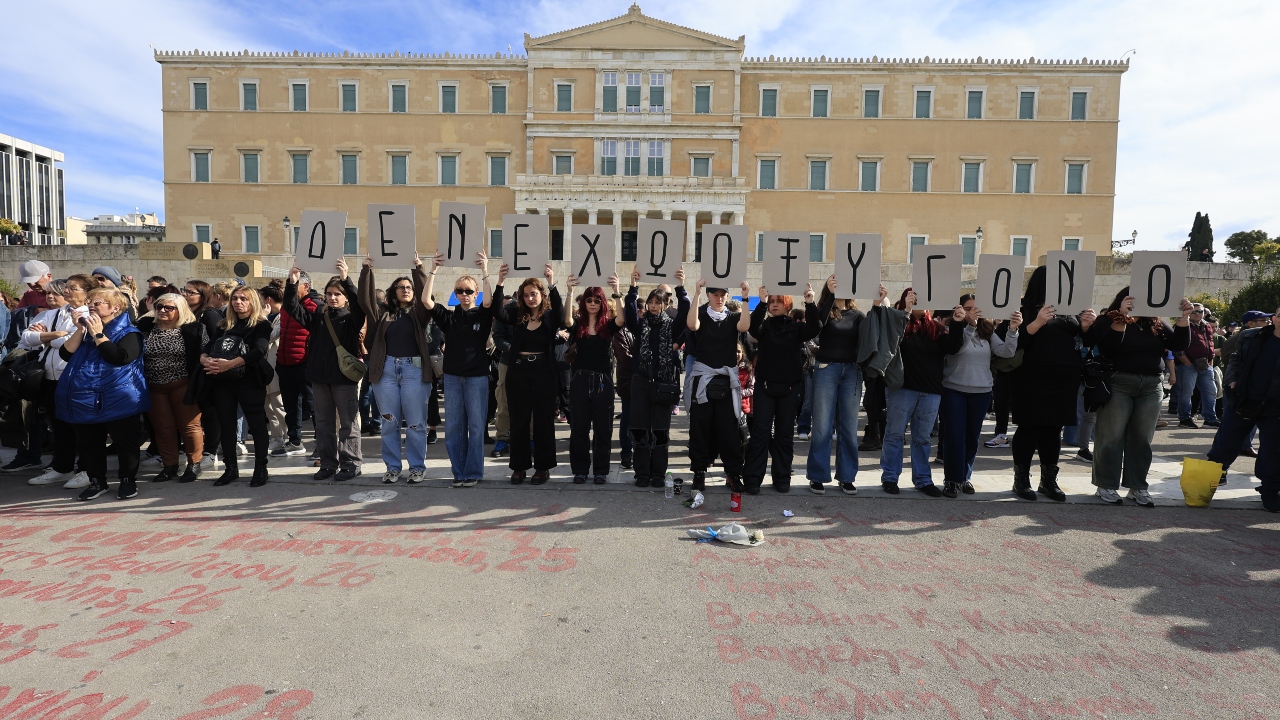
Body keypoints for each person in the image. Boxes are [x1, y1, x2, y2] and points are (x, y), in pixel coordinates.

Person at [1091, 289, 1192, 506]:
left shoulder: (1155, 322)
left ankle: (1137, 486)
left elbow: (1178, 345)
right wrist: (1121, 318)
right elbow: (1108, 347)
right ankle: (1106, 485)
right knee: (1111, 436)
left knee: (1142, 438)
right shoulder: (1106, 319)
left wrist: (1183, 319)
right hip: (1119, 382)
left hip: (1151, 385)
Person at [1011, 266, 1098, 502]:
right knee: (1029, 428)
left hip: (1064, 378)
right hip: (1032, 375)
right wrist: (1038, 321)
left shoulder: (1069, 311)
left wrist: (1088, 326)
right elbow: (1018, 342)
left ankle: (1048, 480)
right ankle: (1021, 479)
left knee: (1053, 431)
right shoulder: (1024, 308)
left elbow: (1087, 342)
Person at [56, 287, 148, 501]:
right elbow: (65, 354)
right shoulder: (87, 331)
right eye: (90, 302)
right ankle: (97, 481)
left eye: (97, 303)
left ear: (115, 307)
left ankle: (127, 480)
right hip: (85, 398)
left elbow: (119, 357)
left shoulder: (129, 333)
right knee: (89, 444)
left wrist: (98, 334)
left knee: (125, 443)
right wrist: (80, 330)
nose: (91, 305)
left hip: (118, 399)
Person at [423, 252, 505, 488]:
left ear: (475, 294)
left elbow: (490, 302)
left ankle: (473, 472)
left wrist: (485, 271)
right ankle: (458, 472)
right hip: (452, 378)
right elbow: (427, 301)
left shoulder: (482, 313)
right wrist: (433, 270)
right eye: (460, 290)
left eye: (469, 291)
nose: (465, 295)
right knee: (454, 427)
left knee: (477, 426)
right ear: (455, 294)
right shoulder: (449, 318)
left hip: (477, 378)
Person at [358, 254, 435, 484]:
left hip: (414, 370)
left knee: (415, 423)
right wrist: (366, 270)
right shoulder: (383, 314)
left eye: (409, 287)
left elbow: (425, 296)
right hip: (387, 370)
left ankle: (417, 468)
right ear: (393, 292)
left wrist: (418, 267)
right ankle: (392, 468)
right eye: (400, 287)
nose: (405, 289)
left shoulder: (419, 313)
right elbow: (365, 300)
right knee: (389, 422)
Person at [285, 261, 364, 481]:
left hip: (344, 379)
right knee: (324, 424)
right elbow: (292, 309)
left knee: (348, 424)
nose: (332, 297)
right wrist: (292, 284)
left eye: (337, 294)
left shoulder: (351, 319)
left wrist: (346, 279)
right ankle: (328, 463)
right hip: (320, 380)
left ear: (345, 297)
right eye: (329, 294)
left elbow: (360, 305)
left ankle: (351, 464)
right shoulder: (318, 317)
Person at [744, 281, 824, 494]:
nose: (774, 304)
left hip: (789, 389)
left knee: (784, 434)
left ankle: (781, 477)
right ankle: (753, 479)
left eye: (779, 301)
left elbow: (815, 327)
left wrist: (810, 302)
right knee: (760, 433)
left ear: (787, 304)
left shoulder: (796, 327)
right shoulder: (764, 327)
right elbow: (752, 327)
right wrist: (760, 304)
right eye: (772, 301)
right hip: (765, 387)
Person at [940, 294, 1022, 497]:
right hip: (954, 389)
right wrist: (969, 326)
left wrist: (1012, 329)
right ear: (959, 309)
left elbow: (1006, 352)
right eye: (968, 308)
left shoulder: (987, 330)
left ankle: (965, 477)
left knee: (971, 438)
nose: (972, 312)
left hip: (981, 391)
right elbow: (956, 350)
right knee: (954, 437)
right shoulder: (952, 328)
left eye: (976, 308)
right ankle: (951, 480)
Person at [807, 276, 878, 494]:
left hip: (852, 371)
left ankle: (847, 476)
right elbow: (816, 325)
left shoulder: (857, 315)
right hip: (826, 369)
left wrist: (877, 305)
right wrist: (829, 294)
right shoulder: (823, 309)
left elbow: (871, 334)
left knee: (848, 427)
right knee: (822, 426)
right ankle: (818, 476)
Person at [880, 288, 955, 496]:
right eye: (913, 298)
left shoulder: (937, 329)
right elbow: (891, 341)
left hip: (930, 391)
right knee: (895, 435)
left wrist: (957, 322)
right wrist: (906, 311)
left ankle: (922, 479)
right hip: (902, 389)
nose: (919, 302)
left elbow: (954, 347)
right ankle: (889, 477)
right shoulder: (898, 322)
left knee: (922, 438)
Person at [494, 263, 562, 485]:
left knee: (543, 421)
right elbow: (498, 313)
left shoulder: (550, 317)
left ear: (541, 295)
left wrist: (552, 283)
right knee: (519, 420)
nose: (530, 298)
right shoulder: (517, 314)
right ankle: (519, 467)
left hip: (543, 372)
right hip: (519, 371)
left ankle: (542, 468)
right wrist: (500, 282)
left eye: (534, 294)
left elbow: (562, 315)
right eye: (526, 295)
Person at [22, 278, 92, 488]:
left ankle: (87, 469)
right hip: (49, 376)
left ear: (86, 293)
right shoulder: (52, 314)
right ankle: (62, 467)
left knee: (80, 426)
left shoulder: (89, 313)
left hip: (73, 377)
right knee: (58, 425)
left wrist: (46, 337)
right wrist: (56, 335)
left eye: (72, 288)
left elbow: (76, 341)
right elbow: (26, 338)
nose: (66, 292)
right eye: (66, 289)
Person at [685, 277, 753, 492]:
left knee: (729, 431)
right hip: (703, 380)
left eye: (723, 295)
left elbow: (745, 325)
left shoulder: (733, 318)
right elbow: (691, 324)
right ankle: (699, 473)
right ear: (709, 296)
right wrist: (695, 292)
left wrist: (744, 297)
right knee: (700, 429)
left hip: (726, 381)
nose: (719, 298)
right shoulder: (702, 316)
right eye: (715, 294)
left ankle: (733, 474)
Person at [1209, 307, 1280, 511]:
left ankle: (1269, 492)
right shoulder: (1251, 336)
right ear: (1274, 319)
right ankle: (1209, 480)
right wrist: (1231, 381)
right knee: (1225, 443)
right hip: (1244, 400)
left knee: (1272, 452)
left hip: (1275, 408)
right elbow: (1234, 359)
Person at [201, 284, 273, 486]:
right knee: (226, 425)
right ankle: (230, 468)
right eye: (235, 298)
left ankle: (261, 468)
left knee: (257, 425)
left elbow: (259, 350)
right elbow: (207, 347)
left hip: (250, 380)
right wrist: (204, 359)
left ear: (253, 302)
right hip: (223, 382)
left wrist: (231, 363)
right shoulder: (224, 324)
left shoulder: (262, 324)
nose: (238, 302)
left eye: (244, 299)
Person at [624, 269, 687, 488]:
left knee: (660, 430)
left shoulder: (671, 325)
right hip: (641, 381)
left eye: (657, 302)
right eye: (650, 301)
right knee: (640, 428)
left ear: (664, 305)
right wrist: (632, 288)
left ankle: (658, 473)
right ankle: (641, 473)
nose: (653, 305)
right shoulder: (641, 325)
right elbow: (629, 314)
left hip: (663, 382)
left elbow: (686, 311)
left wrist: (681, 287)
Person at [137, 293, 208, 483]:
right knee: (163, 428)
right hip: (154, 387)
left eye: (169, 308)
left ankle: (194, 464)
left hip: (183, 385)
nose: (162, 311)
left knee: (190, 425)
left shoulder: (194, 329)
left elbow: (204, 352)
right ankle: (170, 466)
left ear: (180, 310)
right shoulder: (145, 327)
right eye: (159, 306)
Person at [564, 273, 626, 484]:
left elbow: (622, 319)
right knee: (579, 428)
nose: (592, 304)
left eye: (597, 300)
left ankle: (600, 470)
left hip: (602, 382)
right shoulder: (578, 324)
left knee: (603, 429)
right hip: (580, 380)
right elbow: (566, 320)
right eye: (589, 300)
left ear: (602, 303)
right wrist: (571, 291)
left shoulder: (607, 326)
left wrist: (617, 290)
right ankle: (580, 470)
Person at [275, 271, 320, 457]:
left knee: (315, 406)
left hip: (305, 364)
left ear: (306, 287)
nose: (289, 288)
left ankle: (321, 444)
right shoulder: (285, 306)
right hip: (285, 363)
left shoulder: (315, 306)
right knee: (291, 405)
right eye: (288, 284)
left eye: (294, 284)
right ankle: (295, 441)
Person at [1174, 304, 1220, 429]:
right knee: (1186, 392)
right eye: (1194, 311)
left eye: (1200, 311)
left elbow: (1210, 343)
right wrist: (1186, 362)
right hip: (1187, 364)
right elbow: (1177, 346)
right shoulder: (1183, 324)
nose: (1197, 313)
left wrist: (1210, 360)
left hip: (1205, 364)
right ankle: (1184, 418)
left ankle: (1210, 418)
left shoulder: (1207, 326)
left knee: (1211, 391)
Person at [259, 284, 288, 455]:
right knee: (269, 407)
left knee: (279, 406)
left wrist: (262, 319)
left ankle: (288, 439)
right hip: (265, 369)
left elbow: (269, 336)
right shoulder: (270, 316)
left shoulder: (282, 315)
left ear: (268, 300)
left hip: (276, 368)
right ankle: (276, 439)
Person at [612, 318, 636, 470]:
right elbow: (626, 358)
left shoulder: (643, 327)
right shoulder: (621, 331)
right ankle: (626, 454)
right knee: (627, 417)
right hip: (629, 380)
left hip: (644, 380)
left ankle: (641, 453)